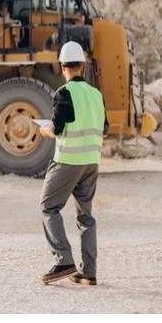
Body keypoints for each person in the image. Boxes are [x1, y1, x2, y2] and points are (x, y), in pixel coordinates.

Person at [37, 40, 108, 286]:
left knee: (48, 207)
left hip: (68, 161)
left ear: (62, 66)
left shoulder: (63, 94)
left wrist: (45, 130)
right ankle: (89, 272)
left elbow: (56, 128)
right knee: (86, 216)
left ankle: (64, 259)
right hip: (91, 162)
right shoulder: (97, 95)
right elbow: (104, 127)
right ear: (83, 64)